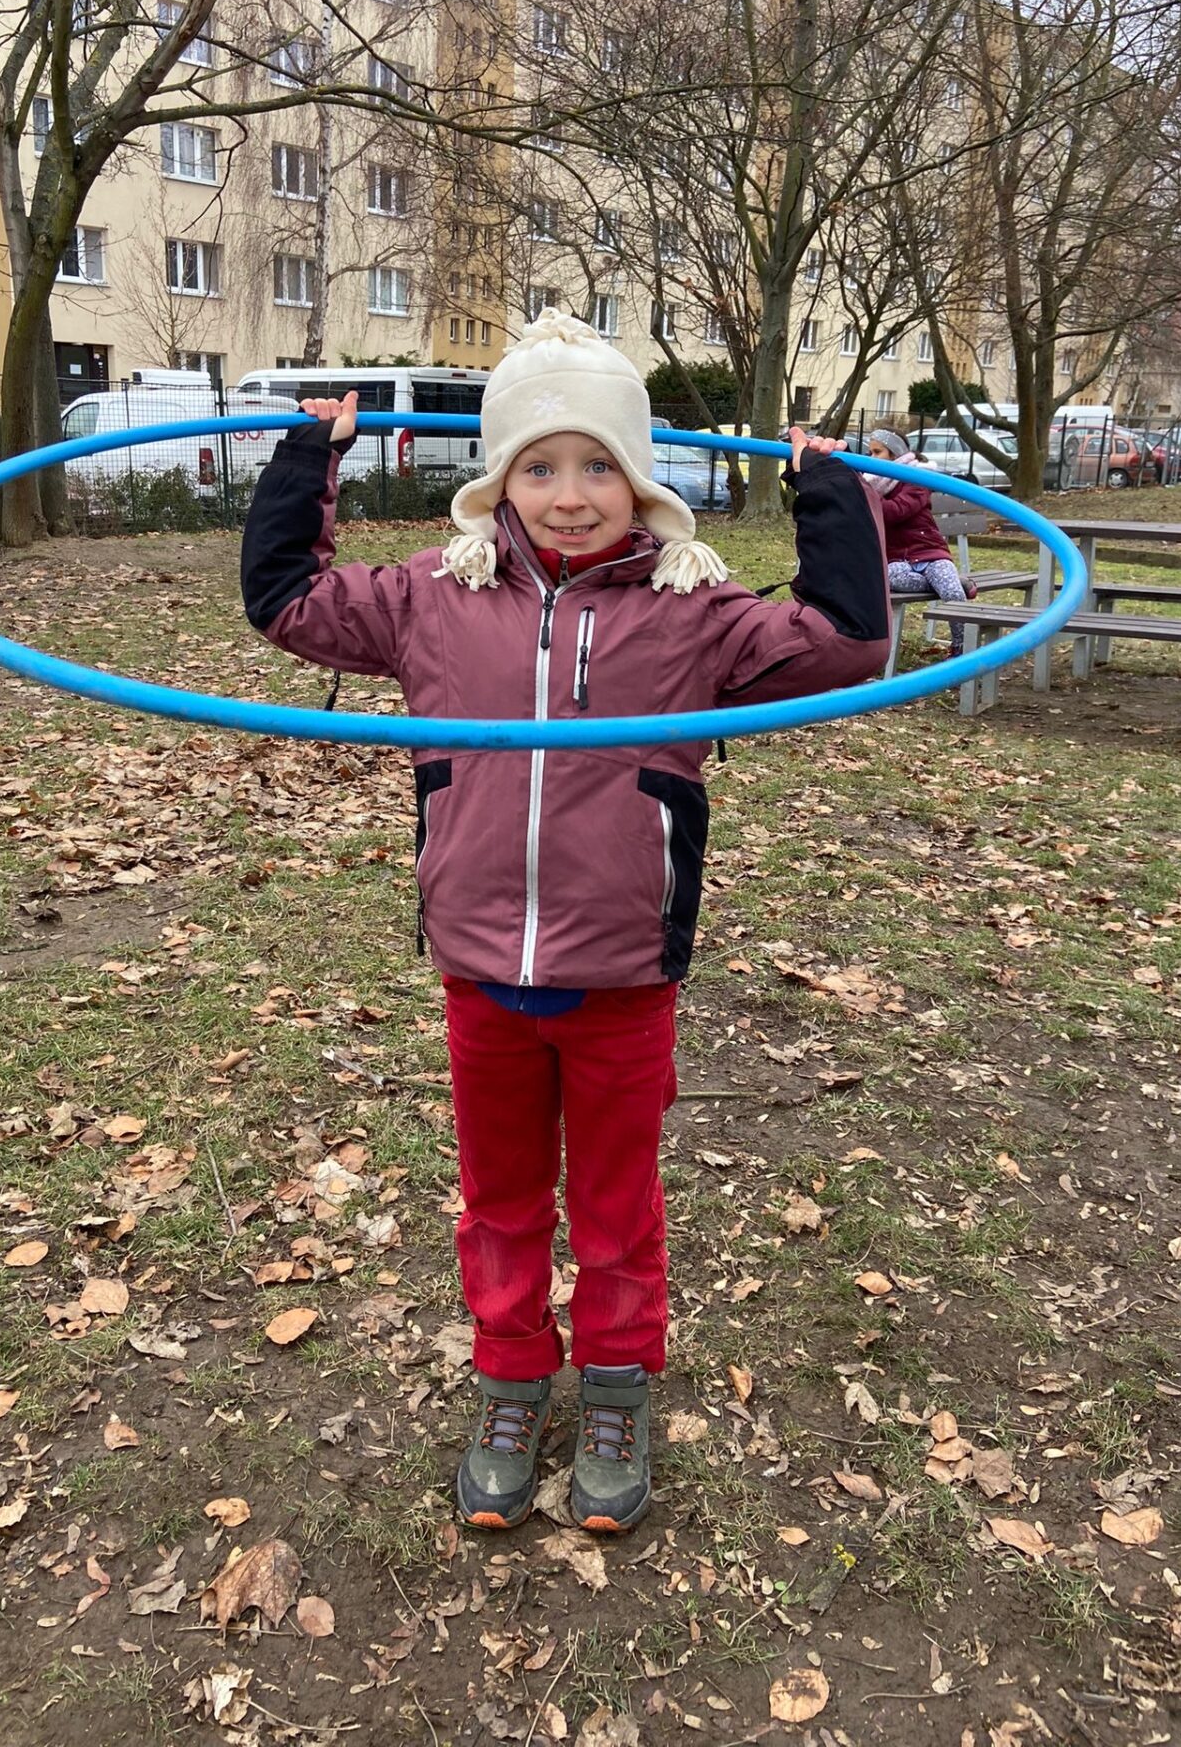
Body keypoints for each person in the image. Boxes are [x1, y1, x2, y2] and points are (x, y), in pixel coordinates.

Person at [240, 309, 890, 1535]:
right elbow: (285, 602)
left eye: (600, 465)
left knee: (615, 1203)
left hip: (622, 976)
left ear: (641, 479)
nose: (572, 495)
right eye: (539, 467)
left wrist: (827, 494)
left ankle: (615, 1385)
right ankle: (508, 1376)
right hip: (481, 969)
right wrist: (306, 461)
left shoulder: (693, 610)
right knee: (498, 1197)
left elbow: (847, 645)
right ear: (499, 479)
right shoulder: (432, 597)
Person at [865, 428, 977, 656]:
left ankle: (962, 649)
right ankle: (955, 581)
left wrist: (864, 496)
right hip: (898, 558)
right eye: (870, 453)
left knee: (952, 594)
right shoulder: (873, 484)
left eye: (877, 452)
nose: (871, 458)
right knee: (890, 578)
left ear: (895, 453)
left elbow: (896, 511)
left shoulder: (917, 479)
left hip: (929, 552)